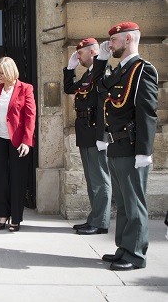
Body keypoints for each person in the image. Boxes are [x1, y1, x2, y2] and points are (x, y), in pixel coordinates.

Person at [94, 22, 158, 271]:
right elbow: (99, 89)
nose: (110, 45)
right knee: (122, 203)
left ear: (129, 38)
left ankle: (136, 254)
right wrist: (100, 61)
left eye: (114, 41)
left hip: (132, 147)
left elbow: (147, 112)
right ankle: (124, 247)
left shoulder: (143, 70)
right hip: (116, 144)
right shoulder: (119, 70)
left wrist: (145, 151)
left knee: (134, 203)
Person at [63, 38, 112, 235]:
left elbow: (103, 106)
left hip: (95, 131)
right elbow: (69, 89)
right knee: (92, 180)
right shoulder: (87, 75)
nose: (78, 58)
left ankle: (101, 222)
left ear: (92, 52)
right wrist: (69, 69)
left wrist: (102, 135)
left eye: (80, 54)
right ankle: (94, 218)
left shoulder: (103, 73)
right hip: (85, 131)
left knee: (100, 179)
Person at [0, 57, 36, 232]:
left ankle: (15, 217)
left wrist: (27, 141)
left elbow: (30, 116)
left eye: (1, 73)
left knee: (17, 178)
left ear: (10, 72)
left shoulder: (26, 88)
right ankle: (2, 214)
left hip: (18, 140)